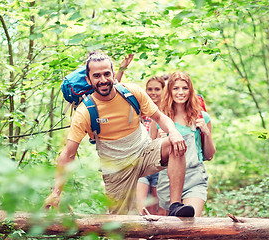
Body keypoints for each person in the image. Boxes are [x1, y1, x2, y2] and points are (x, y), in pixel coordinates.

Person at [45, 51, 195, 217]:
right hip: (116, 170)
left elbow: (159, 117)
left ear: (113, 73)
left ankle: (175, 206)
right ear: (88, 80)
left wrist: (173, 132)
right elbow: (68, 153)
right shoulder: (85, 112)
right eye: (96, 76)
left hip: (144, 153)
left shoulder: (131, 93)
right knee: (123, 227)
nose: (103, 80)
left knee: (176, 143)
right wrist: (56, 193)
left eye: (106, 74)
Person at [150, 71, 216, 217]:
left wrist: (206, 132)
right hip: (167, 181)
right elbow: (153, 160)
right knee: (172, 230)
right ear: (169, 91)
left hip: (195, 178)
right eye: (176, 88)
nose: (181, 92)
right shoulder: (160, 119)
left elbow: (209, 155)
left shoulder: (201, 117)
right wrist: (159, 142)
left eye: (185, 88)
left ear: (190, 90)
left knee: (190, 222)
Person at [137, 76, 166, 215]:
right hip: (141, 164)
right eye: (150, 89)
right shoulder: (140, 110)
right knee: (141, 208)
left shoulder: (166, 114)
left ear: (164, 91)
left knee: (158, 211)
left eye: (157, 89)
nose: (153, 92)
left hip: (160, 166)